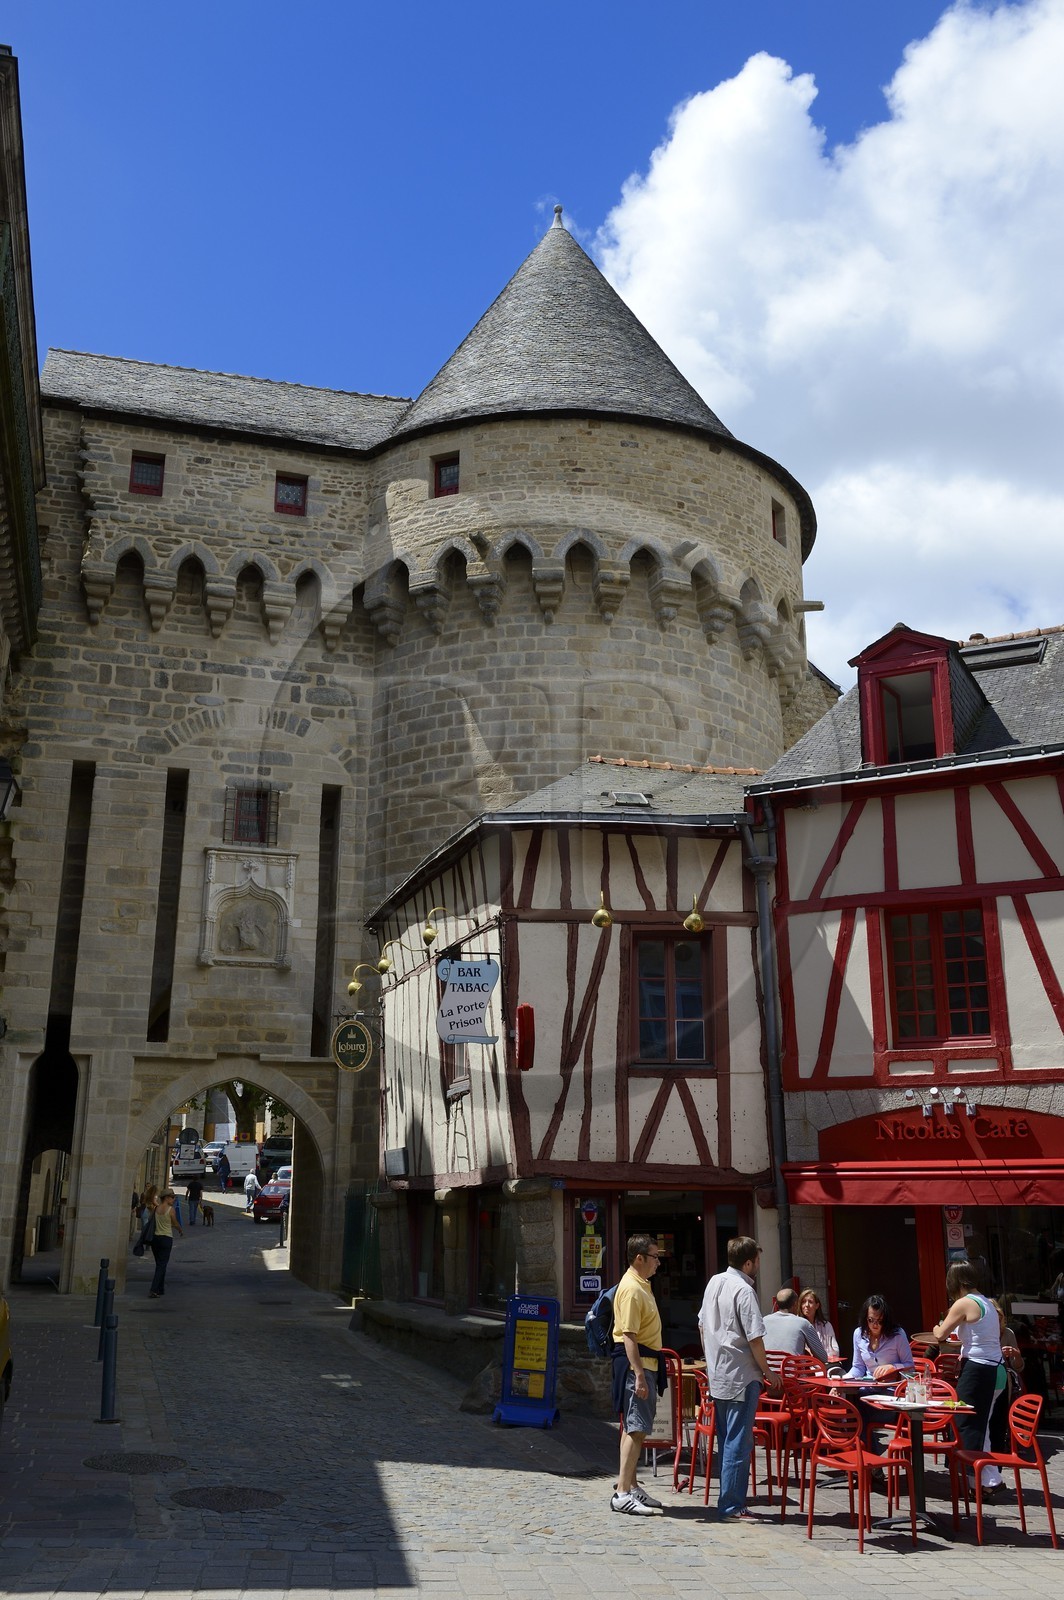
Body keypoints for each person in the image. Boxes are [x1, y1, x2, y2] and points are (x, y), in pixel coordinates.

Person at [699, 1236, 782, 1523]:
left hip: (719, 1375)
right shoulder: (744, 1291)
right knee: (738, 1442)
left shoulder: (714, 1282)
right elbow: (755, 1338)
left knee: (727, 1440)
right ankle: (732, 1506)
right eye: (757, 1260)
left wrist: (711, 1359)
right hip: (742, 1375)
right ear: (748, 1263)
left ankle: (728, 1501)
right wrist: (768, 1371)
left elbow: (701, 1326)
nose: (758, 1265)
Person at [610, 1233, 667, 1517]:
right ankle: (622, 1492)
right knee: (636, 1428)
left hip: (647, 1364)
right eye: (655, 1257)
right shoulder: (632, 1288)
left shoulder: (641, 1284)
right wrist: (640, 1375)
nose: (659, 1263)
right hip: (640, 1365)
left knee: (636, 1427)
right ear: (639, 1258)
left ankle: (630, 1487)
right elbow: (628, 1337)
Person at [931, 1260, 1003, 1463]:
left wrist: (937, 1328)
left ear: (955, 1282)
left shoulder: (963, 1303)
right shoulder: (986, 1302)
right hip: (996, 1368)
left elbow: (940, 1334)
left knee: (966, 1423)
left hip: (978, 1369)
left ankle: (973, 1478)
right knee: (982, 1425)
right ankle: (989, 1480)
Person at [761, 1286, 828, 1364]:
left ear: (776, 1304)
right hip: (795, 1374)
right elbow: (823, 1358)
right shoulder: (803, 1323)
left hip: (769, 1374)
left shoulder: (763, 1321)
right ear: (795, 1304)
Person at [148, 1189, 183, 1298]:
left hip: (155, 1239)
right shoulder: (171, 1210)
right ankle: (154, 1289)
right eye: (172, 1197)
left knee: (160, 1264)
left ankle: (160, 1288)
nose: (174, 1199)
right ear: (167, 1198)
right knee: (162, 1265)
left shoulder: (156, 1209)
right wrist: (180, 1229)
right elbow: (175, 1222)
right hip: (166, 1238)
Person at [798, 1288, 842, 1367]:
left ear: (817, 1305)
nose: (806, 1305)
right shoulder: (797, 1326)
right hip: (806, 1367)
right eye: (803, 1302)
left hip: (826, 1365)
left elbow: (835, 1351)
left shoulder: (826, 1325)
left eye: (810, 1302)